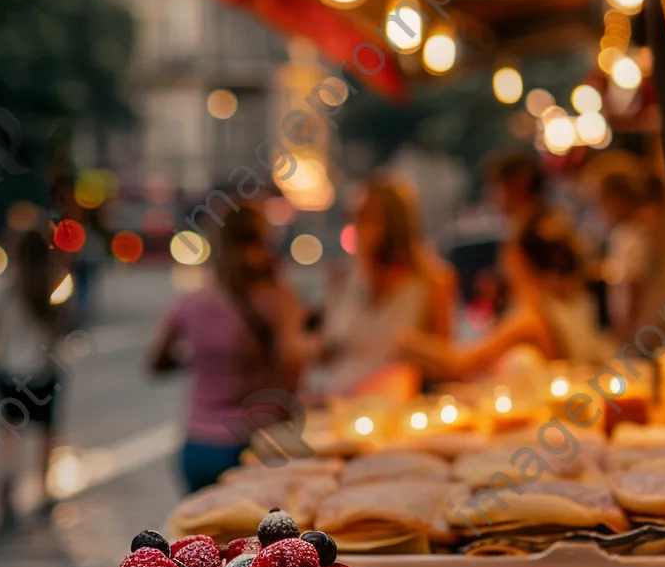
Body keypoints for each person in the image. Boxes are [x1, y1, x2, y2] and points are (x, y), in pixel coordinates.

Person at [147, 203, 306, 494]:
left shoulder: (189, 303)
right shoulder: (277, 300)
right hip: (255, 443)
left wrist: (202, 356)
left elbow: (156, 362)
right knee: (261, 538)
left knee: (203, 537)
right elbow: (292, 361)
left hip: (197, 447)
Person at [395, 211, 615, 380]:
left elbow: (461, 364)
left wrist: (406, 341)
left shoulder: (528, 318)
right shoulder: (562, 306)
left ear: (517, 258)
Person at [319, 172, 457, 398]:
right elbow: (325, 351)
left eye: (366, 218)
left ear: (394, 223)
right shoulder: (341, 279)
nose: (358, 228)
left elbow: (442, 362)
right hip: (333, 402)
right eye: (355, 218)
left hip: (393, 408)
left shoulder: (431, 280)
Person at [0, 231, 64, 530]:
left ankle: (7, 482)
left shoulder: (5, 288)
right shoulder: (51, 288)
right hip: (42, 371)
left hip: (8, 372)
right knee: (44, 432)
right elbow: (62, 329)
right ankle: (43, 490)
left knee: (9, 434)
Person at [597, 170, 665, 342]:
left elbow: (633, 285)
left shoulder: (628, 235)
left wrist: (626, 329)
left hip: (637, 326)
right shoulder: (642, 232)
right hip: (655, 321)